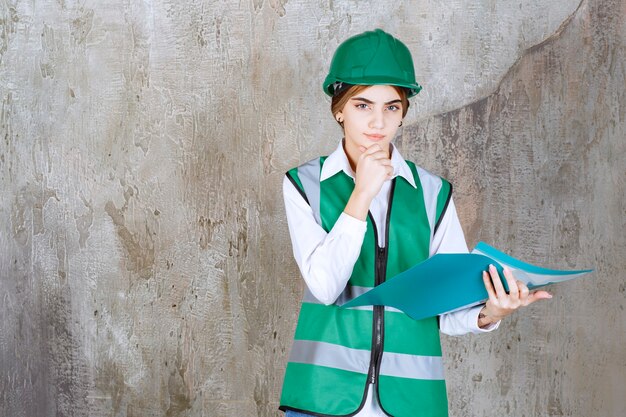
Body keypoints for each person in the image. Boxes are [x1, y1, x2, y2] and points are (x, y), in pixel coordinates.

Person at [278, 29, 551, 417]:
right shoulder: (304, 185)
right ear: (339, 108)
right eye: (362, 105)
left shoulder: (432, 193)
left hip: (411, 403)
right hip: (322, 399)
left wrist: (491, 312)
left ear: (404, 112)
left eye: (392, 106)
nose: (378, 121)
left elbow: (448, 305)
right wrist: (362, 194)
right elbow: (324, 286)